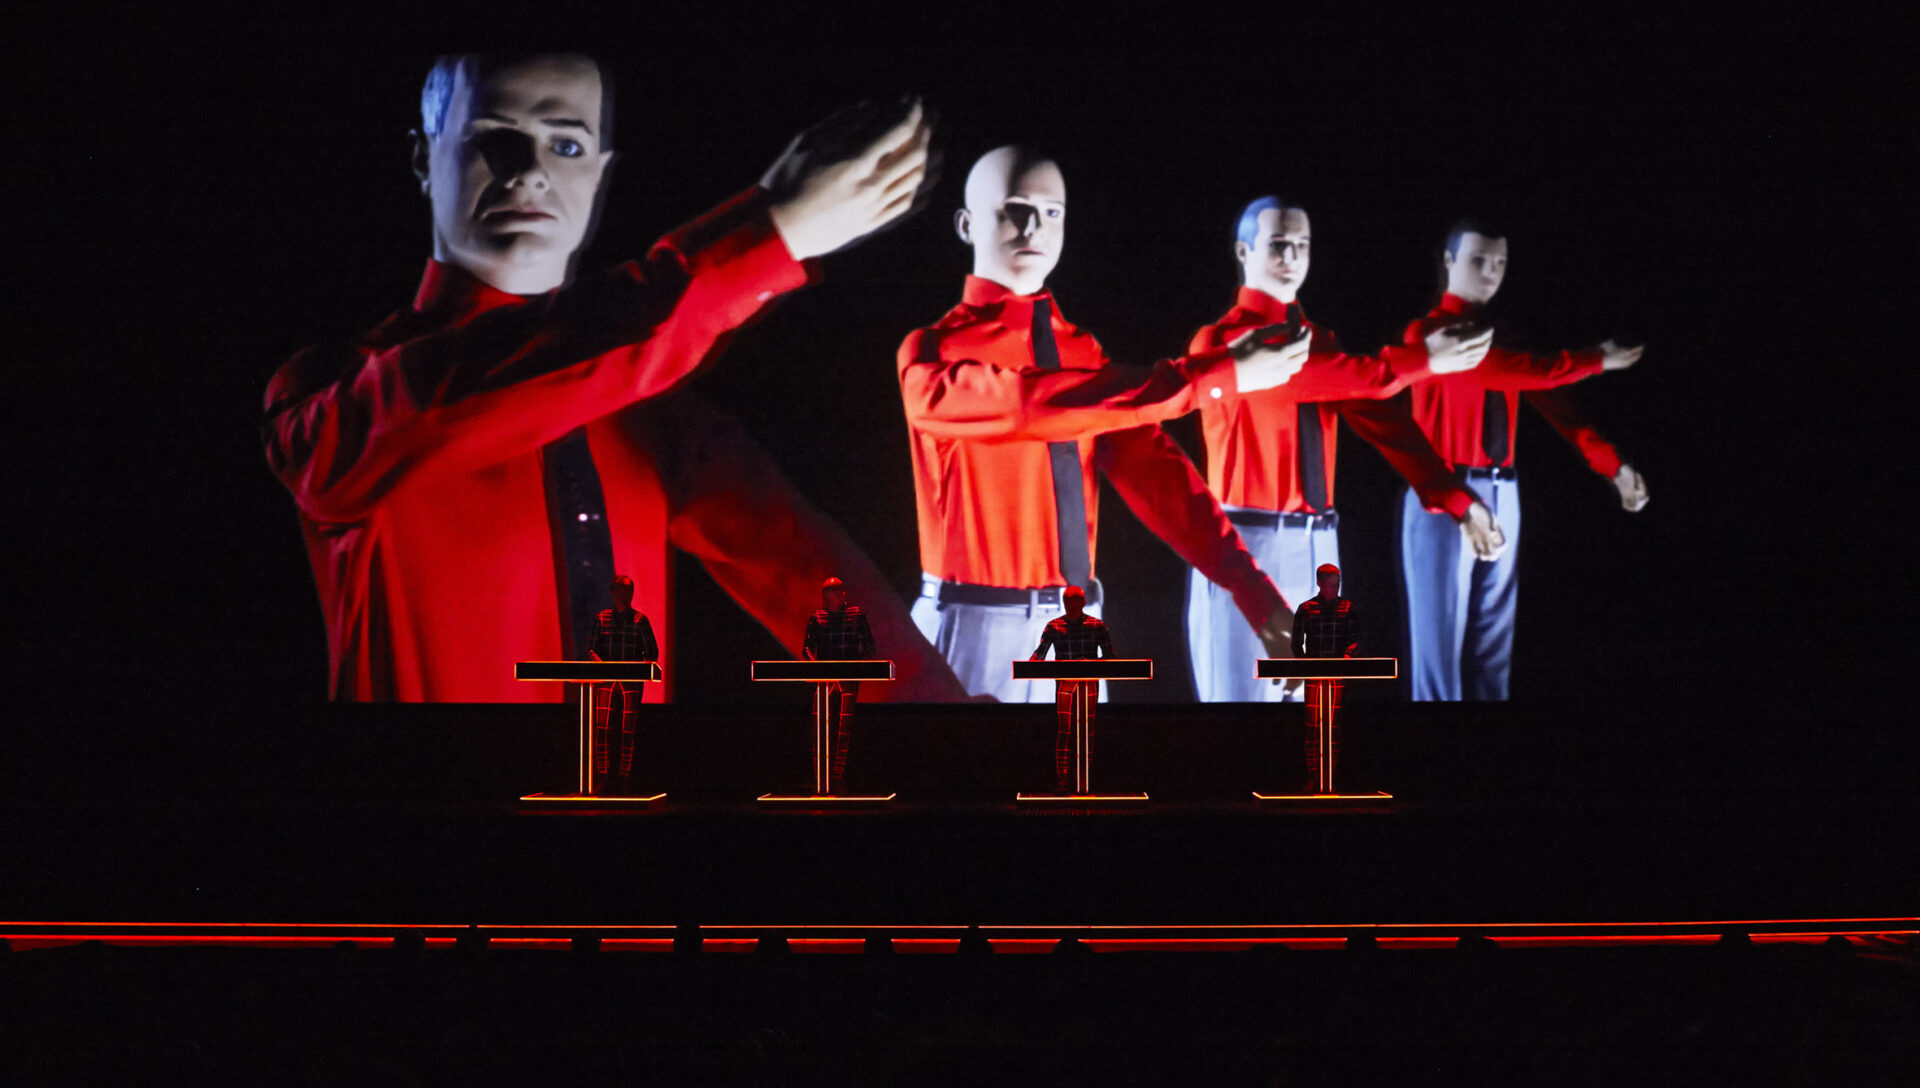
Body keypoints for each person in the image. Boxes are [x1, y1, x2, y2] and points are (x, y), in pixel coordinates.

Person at [263, 51, 969, 702]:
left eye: (566, 145)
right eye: (493, 137)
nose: (528, 171)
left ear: (600, 175)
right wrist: (764, 238)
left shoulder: (654, 413)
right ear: (424, 158)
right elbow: (448, 399)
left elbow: (807, 573)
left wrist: (954, 726)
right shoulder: (329, 390)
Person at [899, 147, 1305, 702]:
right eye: (1014, 208)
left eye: (1052, 212)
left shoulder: (1084, 355)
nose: (1034, 227)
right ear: (967, 225)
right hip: (973, 632)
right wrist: (1213, 375)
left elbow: (1162, 480)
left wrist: (1255, 593)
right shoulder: (932, 353)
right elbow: (1029, 407)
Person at [1185, 196, 1505, 702]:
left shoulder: (1321, 344)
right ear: (1244, 252)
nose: (1292, 256)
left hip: (1320, 552)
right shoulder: (1221, 344)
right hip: (1248, 546)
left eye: (1302, 244)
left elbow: (1384, 422)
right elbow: (1331, 380)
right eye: (1278, 244)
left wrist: (1458, 499)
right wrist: (1421, 360)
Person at [1398, 222, 1647, 700]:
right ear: (1449, 262)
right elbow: (1512, 370)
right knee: (1438, 656)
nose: (1491, 273)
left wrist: (1612, 465)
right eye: (1478, 261)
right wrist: (1594, 359)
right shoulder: (1428, 334)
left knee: (1495, 652)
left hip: (1503, 490)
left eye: (1500, 263)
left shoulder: (1505, 336)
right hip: (1444, 496)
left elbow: (1554, 401)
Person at [1029, 586, 1113, 793]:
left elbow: (1110, 658)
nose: (1069, 605)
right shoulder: (1054, 626)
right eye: (1067, 600)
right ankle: (1063, 778)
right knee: (1065, 729)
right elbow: (1039, 655)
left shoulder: (1096, 626)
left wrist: (1089, 664)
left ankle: (1085, 777)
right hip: (1065, 684)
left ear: (1083, 602)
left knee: (1087, 730)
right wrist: (1029, 665)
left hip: (1088, 684)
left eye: (1074, 600)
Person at [586, 574, 658, 791]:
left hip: (631, 682)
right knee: (602, 729)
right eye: (620, 589)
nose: (624, 594)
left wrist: (642, 667)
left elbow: (652, 652)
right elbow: (590, 648)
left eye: (627, 590)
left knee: (628, 731)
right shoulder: (601, 618)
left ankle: (625, 779)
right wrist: (602, 666)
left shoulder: (640, 620)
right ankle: (603, 777)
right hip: (606, 681)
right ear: (612, 592)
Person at [801, 576, 875, 782]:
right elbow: (806, 648)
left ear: (842, 595)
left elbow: (869, 648)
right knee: (819, 725)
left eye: (834, 593)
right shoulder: (817, 617)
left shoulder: (856, 615)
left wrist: (853, 666)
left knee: (845, 727)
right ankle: (821, 776)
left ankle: (837, 776)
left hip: (847, 677)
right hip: (824, 679)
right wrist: (818, 667)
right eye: (827, 593)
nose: (829, 597)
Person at [1291, 563, 1357, 788]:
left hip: (1337, 676)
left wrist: (1347, 657)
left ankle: (1330, 777)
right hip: (1314, 676)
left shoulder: (1347, 607)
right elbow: (1296, 643)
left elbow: (1356, 639)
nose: (1334, 589)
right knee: (1313, 727)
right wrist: (1305, 666)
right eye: (1330, 585)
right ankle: (1313, 776)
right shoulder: (1306, 608)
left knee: (1333, 727)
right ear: (1319, 583)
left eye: (1337, 585)